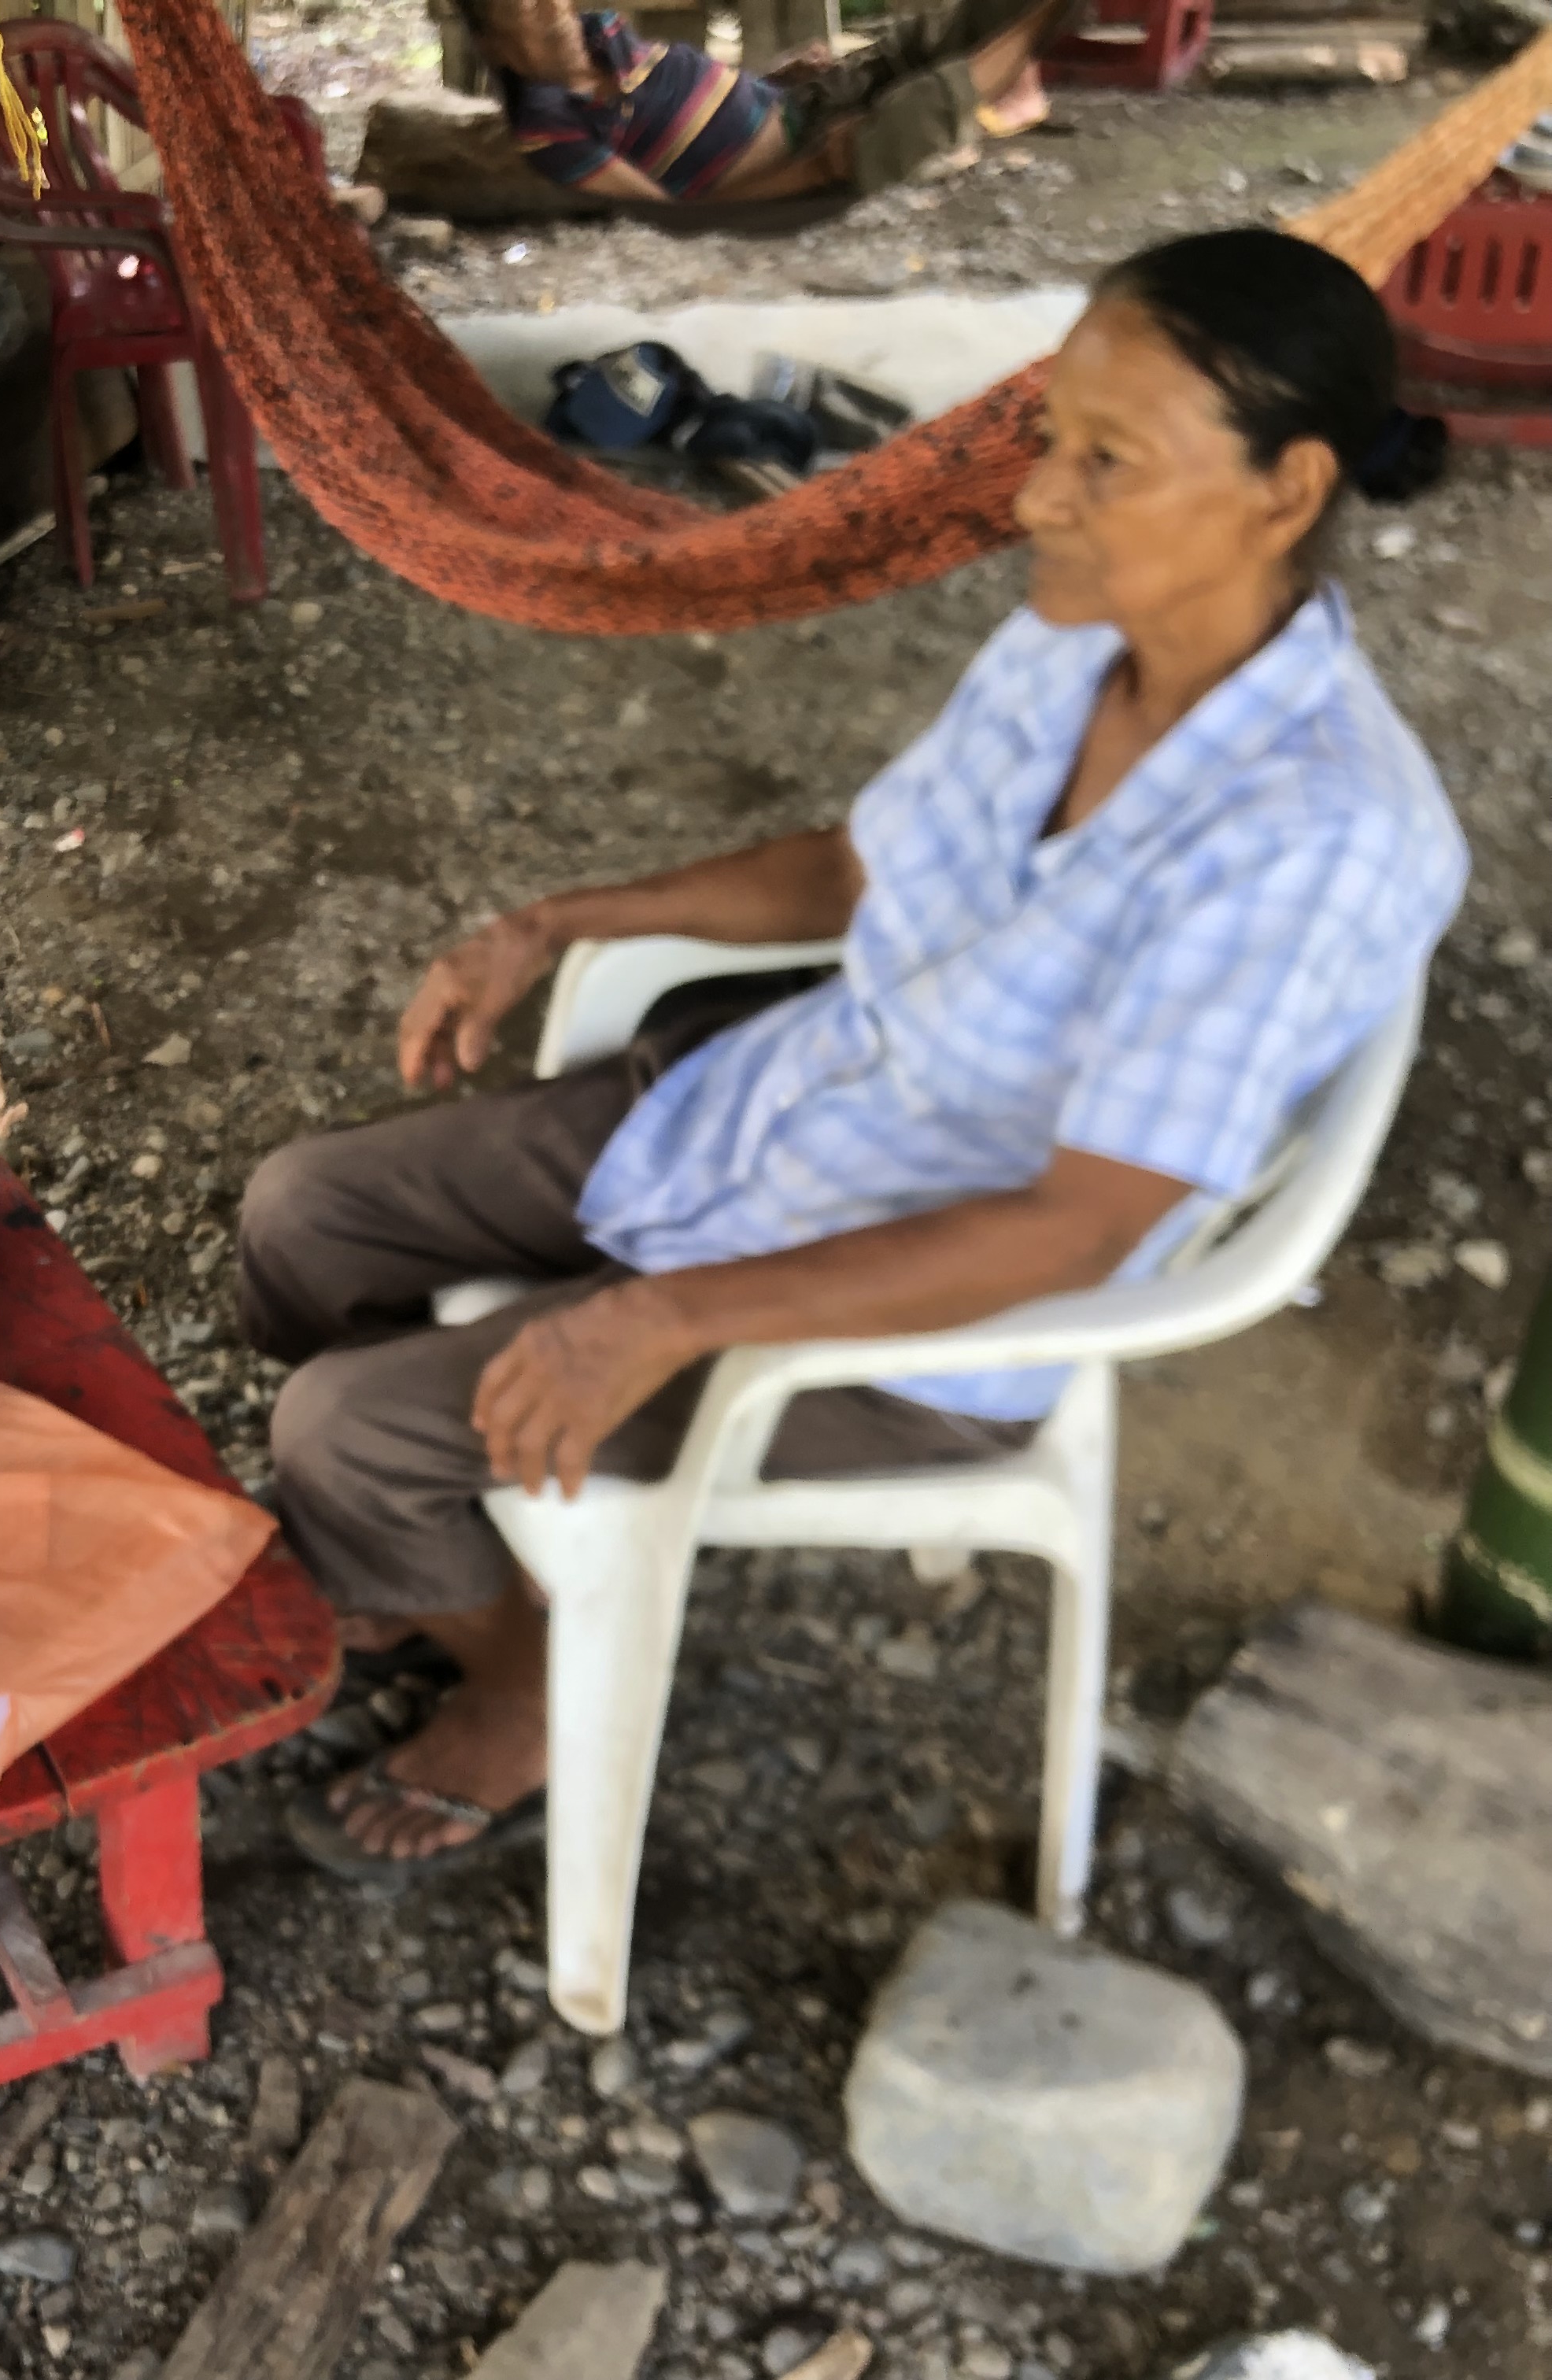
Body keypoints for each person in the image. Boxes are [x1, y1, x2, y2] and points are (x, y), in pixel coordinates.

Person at [241, 228, 1466, 1880]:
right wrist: (553, 921)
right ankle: (453, 1569)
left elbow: (1073, 1227)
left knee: (342, 1429)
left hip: (927, 1318)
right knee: (303, 1216)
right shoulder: (1076, 639)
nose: (1036, 497)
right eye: (1050, 439)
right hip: (783, 1104)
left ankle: (527, 1681)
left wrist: (661, 1317)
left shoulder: (1311, 837)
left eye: (1107, 461)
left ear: (1286, 487)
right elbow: (858, 867)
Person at [481, 0, 1068, 205]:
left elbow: (693, 101)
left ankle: (1028, 43)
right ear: (496, 43)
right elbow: (676, 208)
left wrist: (769, 80)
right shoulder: (552, 129)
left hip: (800, 101)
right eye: (525, 8)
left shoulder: (598, 33)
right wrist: (813, 173)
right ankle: (1033, 43)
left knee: (932, 34)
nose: (553, 11)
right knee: (934, 97)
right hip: (809, 156)